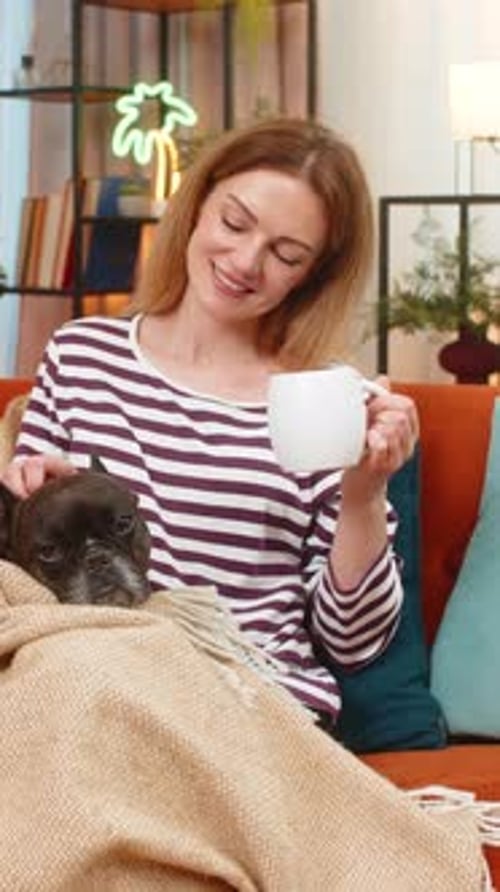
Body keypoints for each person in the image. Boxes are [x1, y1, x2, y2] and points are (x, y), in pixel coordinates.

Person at [2, 117, 418, 730]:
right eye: (234, 222)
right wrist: (46, 497)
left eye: (286, 254)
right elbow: (24, 589)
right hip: (97, 685)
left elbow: (353, 643)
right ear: (196, 205)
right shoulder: (81, 354)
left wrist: (364, 493)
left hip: (250, 704)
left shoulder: (327, 400)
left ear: (315, 274)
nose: (245, 261)